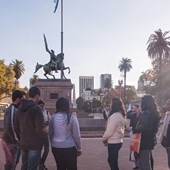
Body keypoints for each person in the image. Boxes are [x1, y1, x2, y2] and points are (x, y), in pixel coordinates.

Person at [15, 86, 47, 170]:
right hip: (34, 144)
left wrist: (20, 138)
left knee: (24, 166)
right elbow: (39, 128)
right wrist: (44, 135)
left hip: (23, 143)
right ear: (36, 96)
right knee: (32, 167)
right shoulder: (37, 109)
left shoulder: (20, 108)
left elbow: (16, 125)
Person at [49, 97, 82, 170]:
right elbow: (77, 135)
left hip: (56, 147)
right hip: (69, 147)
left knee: (60, 167)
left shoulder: (53, 117)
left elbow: (50, 133)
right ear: (67, 106)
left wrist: (52, 144)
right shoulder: (72, 118)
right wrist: (79, 148)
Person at [133, 95, 160, 170]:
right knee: (147, 161)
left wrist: (136, 129)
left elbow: (142, 127)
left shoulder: (145, 113)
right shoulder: (154, 113)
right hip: (150, 140)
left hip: (143, 140)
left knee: (143, 163)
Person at [2, 90, 24, 170]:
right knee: (10, 164)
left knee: (14, 162)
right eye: (22, 98)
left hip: (15, 142)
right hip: (11, 142)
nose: (23, 100)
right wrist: (16, 140)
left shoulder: (16, 109)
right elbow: (10, 126)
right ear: (18, 99)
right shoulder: (12, 109)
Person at [102, 97, 126, 170]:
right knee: (113, 161)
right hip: (118, 140)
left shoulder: (114, 116)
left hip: (113, 141)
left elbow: (109, 131)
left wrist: (104, 138)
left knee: (112, 161)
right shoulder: (121, 115)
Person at [37, 100, 51, 170]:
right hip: (38, 135)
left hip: (45, 133)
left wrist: (48, 123)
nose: (42, 107)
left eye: (43, 105)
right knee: (38, 151)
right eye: (41, 106)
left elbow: (50, 120)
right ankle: (41, 166)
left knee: (47, 150)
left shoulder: (46, 112)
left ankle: (41, 164)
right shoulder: (35, 113)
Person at [159, 98, 170, 169]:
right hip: (167, 142)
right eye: (167, 104)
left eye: (168, 104)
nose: (167, 105)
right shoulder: (167, 114)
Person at [129, 104, 141, 169]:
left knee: (138, 150)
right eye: (132, 108)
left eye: (135, 108)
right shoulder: (131, 115)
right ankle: (136, 164)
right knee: (134, 149)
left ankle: (139, 164)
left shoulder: (141, 115)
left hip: (139, 134)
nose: (133, 110)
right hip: (134, 134)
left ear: (139, 108)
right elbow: (130, 125)